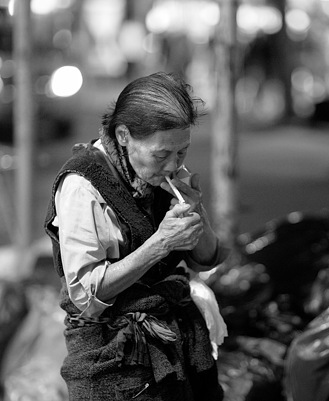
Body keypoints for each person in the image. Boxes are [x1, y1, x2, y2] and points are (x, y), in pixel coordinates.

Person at [44, 72, 228, 401]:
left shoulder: (162, 173)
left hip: (178, 346)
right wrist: (160, 244)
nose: (173, 165)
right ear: (124, 135)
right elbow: (86, 297)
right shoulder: (82, 184)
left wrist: (196, 212)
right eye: (161, 155)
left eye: (182, 153)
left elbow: (207, 257)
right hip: (114, 361)